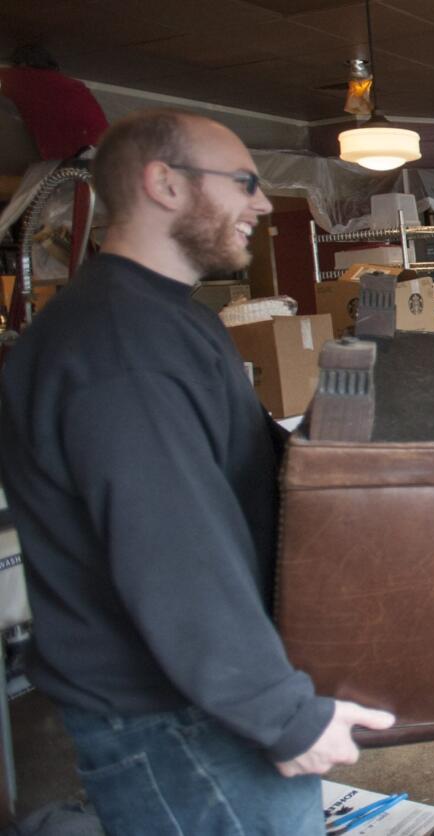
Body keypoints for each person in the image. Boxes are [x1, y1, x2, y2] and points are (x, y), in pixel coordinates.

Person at [0, 109, 394, 835]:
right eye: (244, 182)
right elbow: (174, 550)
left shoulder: (165, 319)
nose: (261, 203)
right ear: (165, 184)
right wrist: (283, 716)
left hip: (198, 702)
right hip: (177, 719)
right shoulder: (121, 344)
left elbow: (230, 479)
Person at [0, 45, 108, 161]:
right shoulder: (70, 84)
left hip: (80, 148)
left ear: (22, 64)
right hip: (102, 143)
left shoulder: (24, 78)